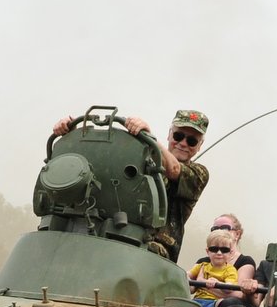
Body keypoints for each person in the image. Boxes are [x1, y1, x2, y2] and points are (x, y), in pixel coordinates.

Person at [51, 108, 210, 262]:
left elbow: (173, 169)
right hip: (108, 230)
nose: (183, 143)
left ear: (200, 145)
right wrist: (70, 133)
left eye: (191, 141)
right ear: (169, 134)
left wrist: (148, 137)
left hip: (153, 248)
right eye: (178, 135)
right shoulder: (140, 156)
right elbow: (99, 167)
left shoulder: (198, 174)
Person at [188, 230, 250, 307]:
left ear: (230, 253)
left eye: (224, 250)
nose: (219, 253)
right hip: (196, 302)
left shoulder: (230, 270)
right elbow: (186, 275)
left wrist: (216, 283)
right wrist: (187, 280)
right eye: (214, 249)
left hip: (213, 303)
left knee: (226, 303)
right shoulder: (202, 266)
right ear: (207, 251)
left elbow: (229, 288)